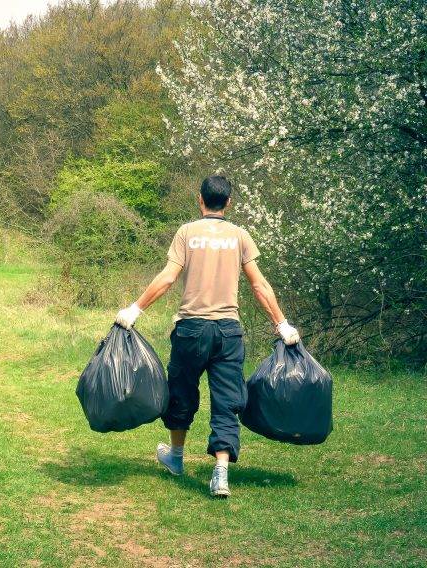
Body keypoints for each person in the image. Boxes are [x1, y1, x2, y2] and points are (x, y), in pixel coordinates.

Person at [115, 175, 300, 498]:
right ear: (228, 203)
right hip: (228, 331)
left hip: (191, 329)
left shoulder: (187, 232)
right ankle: (221, 473)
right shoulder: (240, 236)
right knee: (227, 400)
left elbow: (168, 277)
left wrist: (135, 309)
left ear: (200, 200)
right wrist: (281, 324)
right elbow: (259, 285)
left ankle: (175, 457)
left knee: (181, 392)